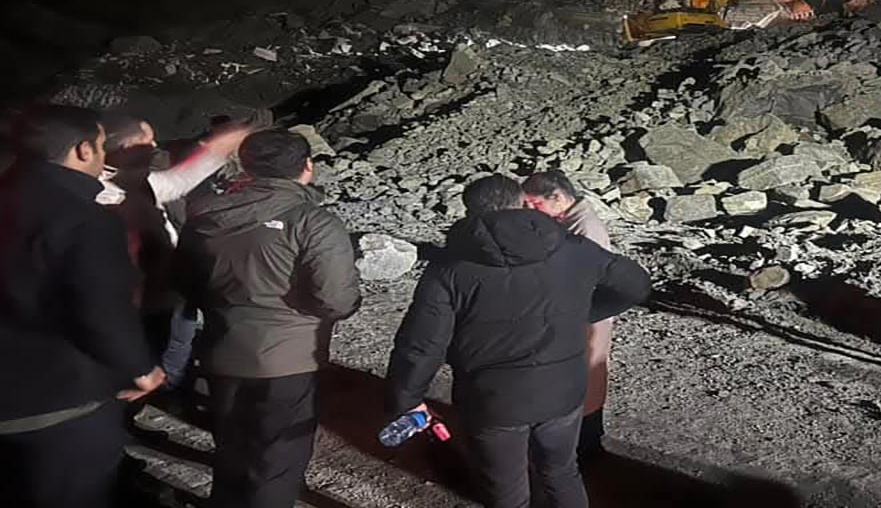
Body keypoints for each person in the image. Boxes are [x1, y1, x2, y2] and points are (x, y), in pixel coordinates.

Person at [386, 174, 651, 508]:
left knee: (505, 491)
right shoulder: (571, 247)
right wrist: (583, 312)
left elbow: (422, 344)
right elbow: (636, 284)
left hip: (493, 401)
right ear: (521, 203)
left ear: (471, 212)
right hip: (563, 390)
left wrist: (406, 399)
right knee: (561, 474)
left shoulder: (449, 268)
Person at [176, 129, 361, 508]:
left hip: (222, 349)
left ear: (245, 165)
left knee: (231, 450)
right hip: (288, 361)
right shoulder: (313, 222)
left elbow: (185, 282)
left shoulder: (204, 214)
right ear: (307, 167)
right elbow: (336, 300)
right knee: (275, 464)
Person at [0, 104, 165, 508]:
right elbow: (101, 311)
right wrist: (140, 369)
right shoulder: (84, 219)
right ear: (82, 150)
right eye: (101, 145)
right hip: (58, 405)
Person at [97, 112, 254, 390]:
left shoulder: (137, 183)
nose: (156, 146)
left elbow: (179, 180)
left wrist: (222, 144)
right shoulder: (98, 193)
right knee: (120, 376)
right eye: (147, 140)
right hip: (124, 306)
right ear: (124, 149)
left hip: (156, 298)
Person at [521, 170, 613, 459]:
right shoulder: (572, 222)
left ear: (558, 198)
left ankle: (586, 449)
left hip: (586, 319)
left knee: (584, 382)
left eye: (537, 205)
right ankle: (585, 444)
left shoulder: (584, 229)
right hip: (584, 316)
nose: (534, 211)